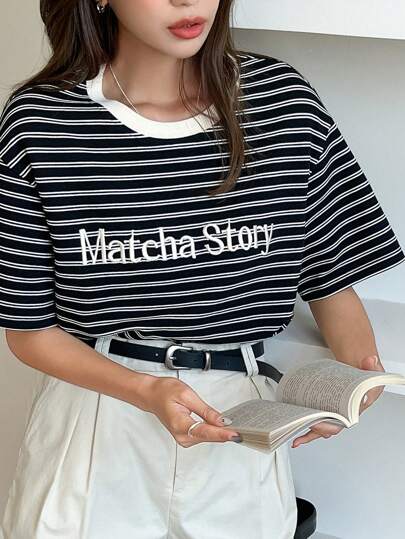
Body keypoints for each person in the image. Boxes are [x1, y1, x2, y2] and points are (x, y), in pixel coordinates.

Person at [0, 0, 404, 537]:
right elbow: (29, 331)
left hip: (242, 424)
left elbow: (331, 280)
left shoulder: (283, 103)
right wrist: (143, 390)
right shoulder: (42, 122)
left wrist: (351, 388)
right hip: (100, 417)